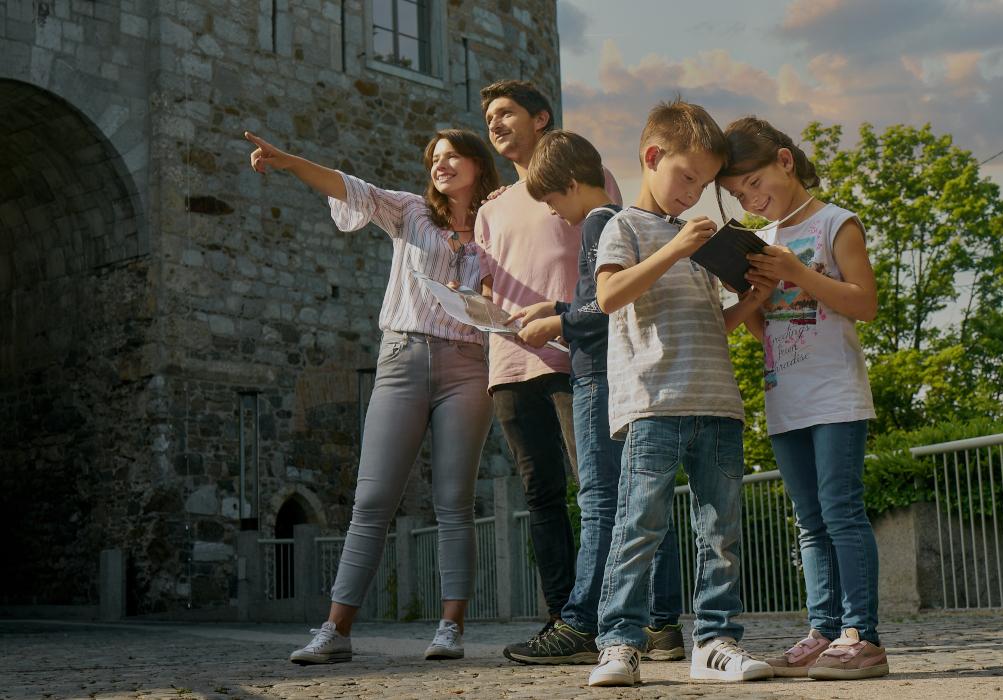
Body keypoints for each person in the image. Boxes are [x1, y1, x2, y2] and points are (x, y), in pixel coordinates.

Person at [244, 128, 499, 665]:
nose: (440, 164)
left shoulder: (498, 227)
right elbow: (349, 188)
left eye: (453, 156)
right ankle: (336, 631)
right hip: (402, 359)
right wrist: (292, 162)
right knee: (371, 502)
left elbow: (512, 299)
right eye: (434, 157)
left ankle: (450, 628)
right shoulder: (408, 212)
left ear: (478, 164)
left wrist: (478, 301)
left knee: (454, 502)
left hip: (468, 367)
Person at [586, 99, 777, 688]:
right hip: (653, 406)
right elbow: (610, 297)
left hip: (718, 403)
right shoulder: (622, 226)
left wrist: (750, 297)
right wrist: (675, 249)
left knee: (722, 533)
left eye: (702, 184)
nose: (693, 193)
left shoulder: (699, 243)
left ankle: (716, 643)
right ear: (651, 157)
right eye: (686, 177)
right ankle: (618, 644)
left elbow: (711, 325)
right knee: (639, 527)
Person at [500, 131, 687, 664]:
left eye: (553, 201)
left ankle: (582, 621)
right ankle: (661, 622)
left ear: (571, 184)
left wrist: (558, 320)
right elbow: (597, 301)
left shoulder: (600, 223)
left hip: (596, 376)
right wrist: (555, 308)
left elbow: (602, 308)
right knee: (642, 500)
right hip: (622, 374)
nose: (556, 214)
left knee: (599, 500)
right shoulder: (621, 221)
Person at [716, 116, 887, 680]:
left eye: (755, 183)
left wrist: (795, 270)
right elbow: (766, 328)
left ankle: (862, 634)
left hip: (835, 394)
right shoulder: (758, 241)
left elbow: (864, 304)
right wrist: (761, 293)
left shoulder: (839, 223)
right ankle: (823, 630)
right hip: (784, 397)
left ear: (785, 162)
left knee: (841, 511)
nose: (752, 199)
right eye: (739, 195)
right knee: (809, 521)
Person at [472, 80, 622, 640]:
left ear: (542, 118)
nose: (495, 124)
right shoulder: (491, 209)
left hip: (576, 356)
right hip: (509, 366)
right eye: (489, 116)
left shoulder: (592, 180)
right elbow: (489, 289)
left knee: (599, 487)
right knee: (541, 496)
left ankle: (614, 613)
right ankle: (563, 616)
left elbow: (614, 264)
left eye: (506, 113)